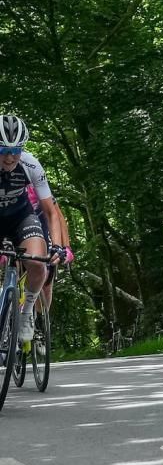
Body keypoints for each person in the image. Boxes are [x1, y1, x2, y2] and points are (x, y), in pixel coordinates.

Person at [0, 115, 65, 344]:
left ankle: (26, 313)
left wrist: (57, 246)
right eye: (3, 150)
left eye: (15, 150)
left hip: (21, 216)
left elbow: (50, 211)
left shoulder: (30, 164)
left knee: (38, 264)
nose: (10, 157)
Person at [27, 183, 74, 311]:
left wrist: (66, 247)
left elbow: (57, 216)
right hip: (13, 226)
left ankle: (40, 321)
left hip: (42, 227)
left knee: (45, 278)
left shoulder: (36, 182)